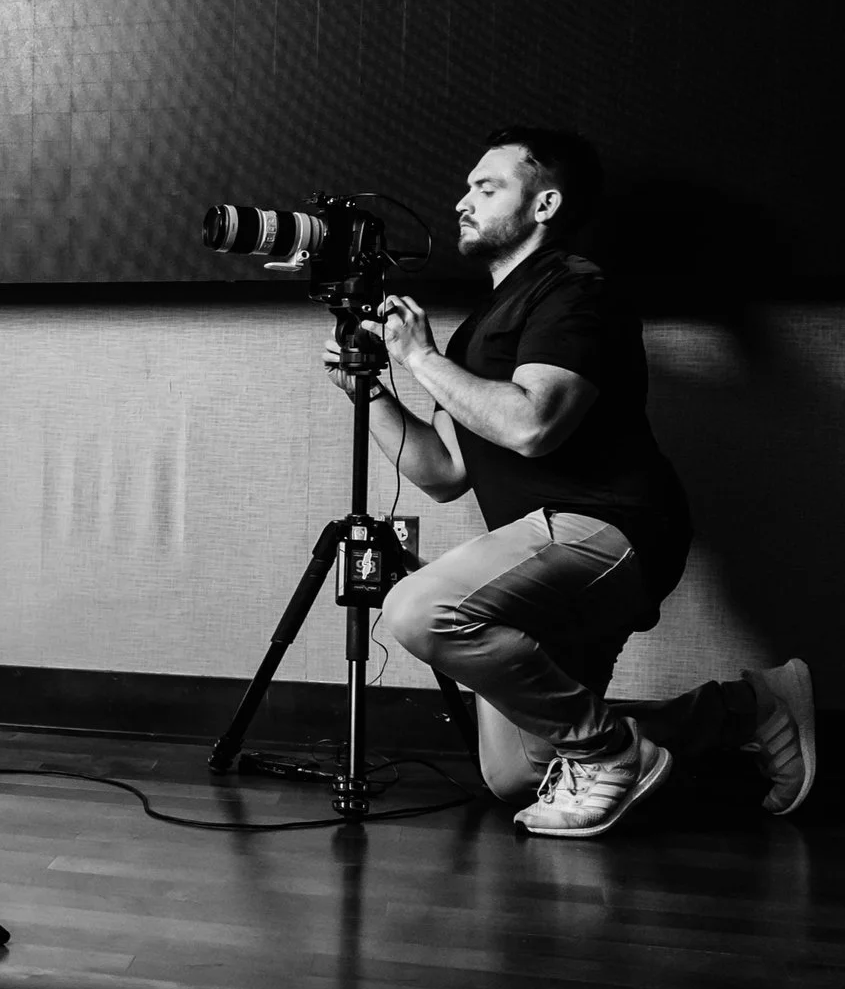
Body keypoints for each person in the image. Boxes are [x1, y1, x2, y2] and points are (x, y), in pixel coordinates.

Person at [325, 129, 815, 837]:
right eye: (466, 187)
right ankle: (750, 708)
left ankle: (613, 753)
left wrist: (420, 356)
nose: (463, 201)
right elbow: (441, 472)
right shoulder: (477, 333)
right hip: (539, 555)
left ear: (546, 202)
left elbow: (533, 425)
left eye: (487, 187)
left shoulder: (575, 290)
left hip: (612, 529)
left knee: (415, 610)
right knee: (520, 773)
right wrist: (368, 392)